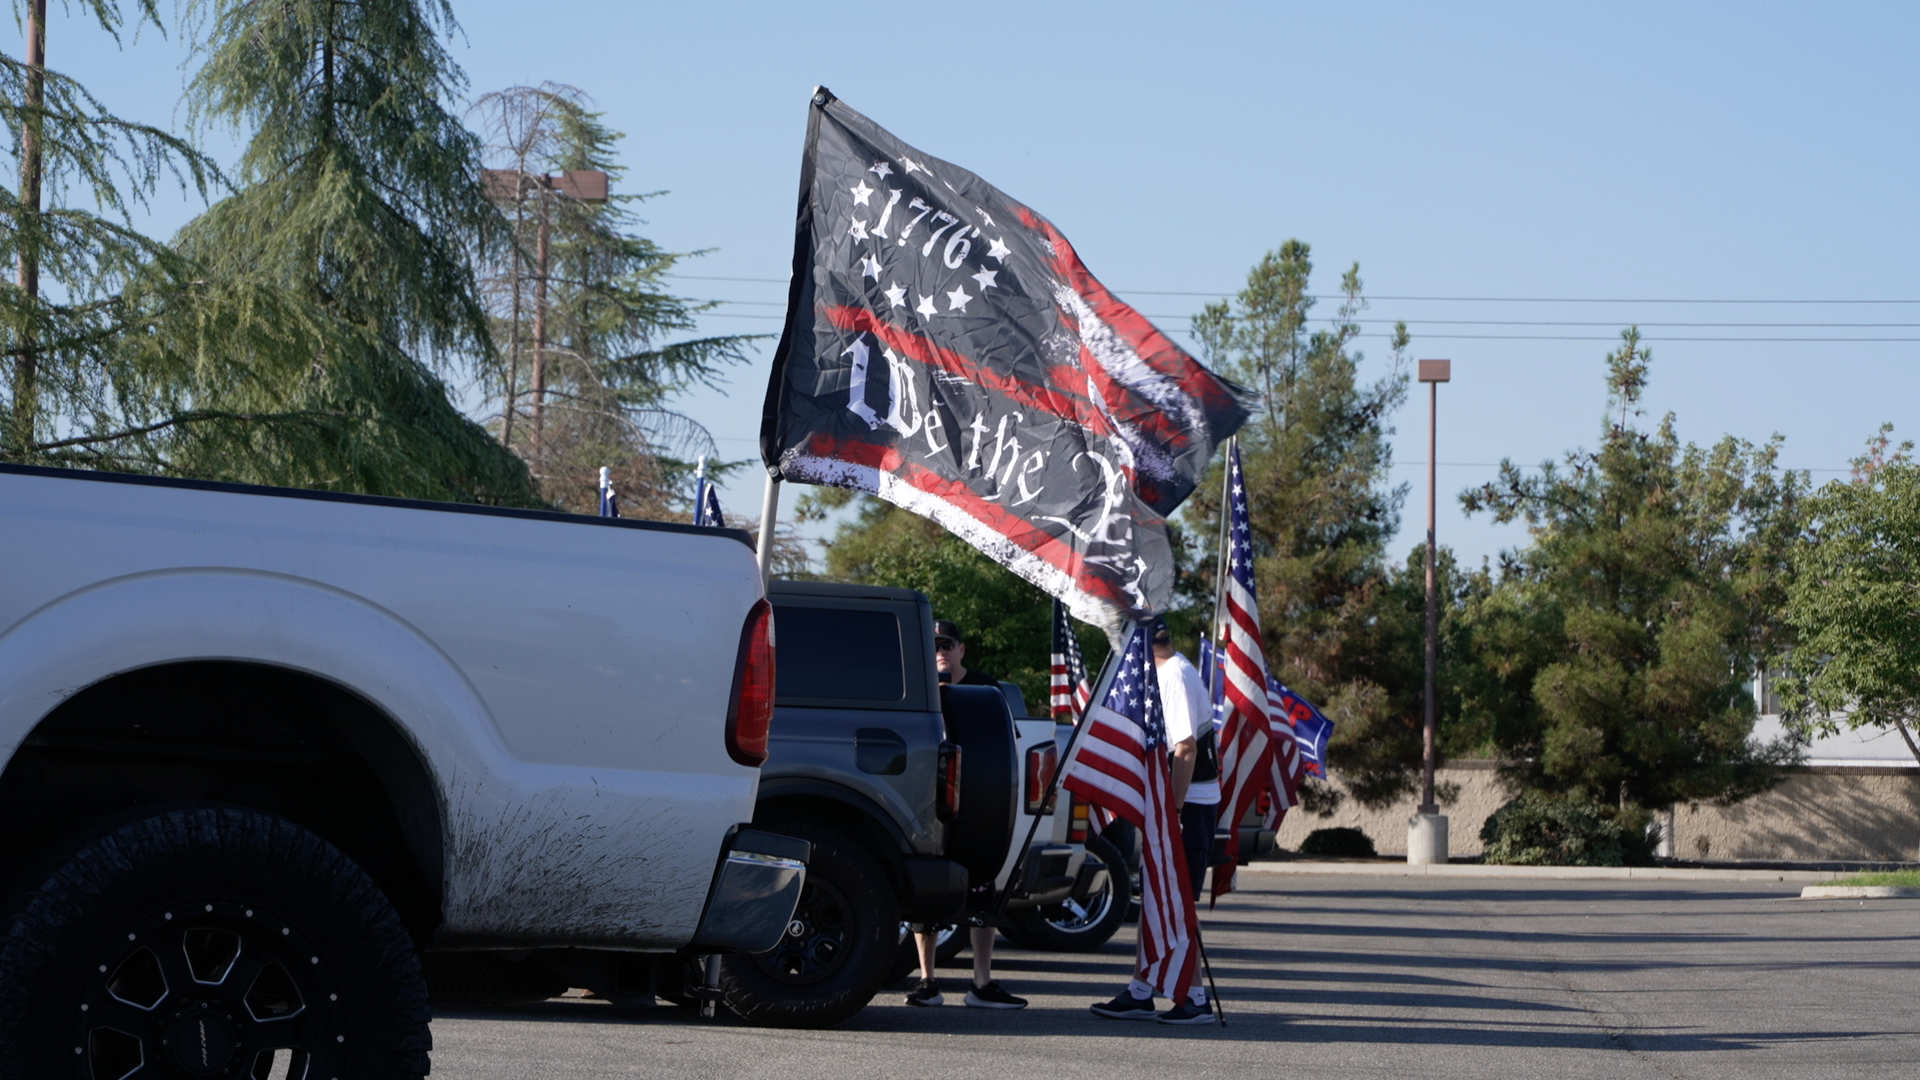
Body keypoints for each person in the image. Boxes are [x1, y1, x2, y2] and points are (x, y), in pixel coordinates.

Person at [1089, 617, 1218, 1025]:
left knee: (1177, 902)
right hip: (1168, 804)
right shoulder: (1160, 671)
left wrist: (1173, 811)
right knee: (1158, 901)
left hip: (1187, 804)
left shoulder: (1175, 675)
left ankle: (1194, 998)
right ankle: (1141, 990)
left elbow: (1185, 749)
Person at [905, 619, 1029, 1010]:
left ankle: (982, 983)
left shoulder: (986, 691)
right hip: (927, 804)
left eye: (948, 643)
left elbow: (1006, 748)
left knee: (982, 892)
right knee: (923, 894)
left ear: (962, 650)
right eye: (934, 644)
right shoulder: (917, 690)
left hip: (977, 805)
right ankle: (927, 982)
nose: (941, 650)